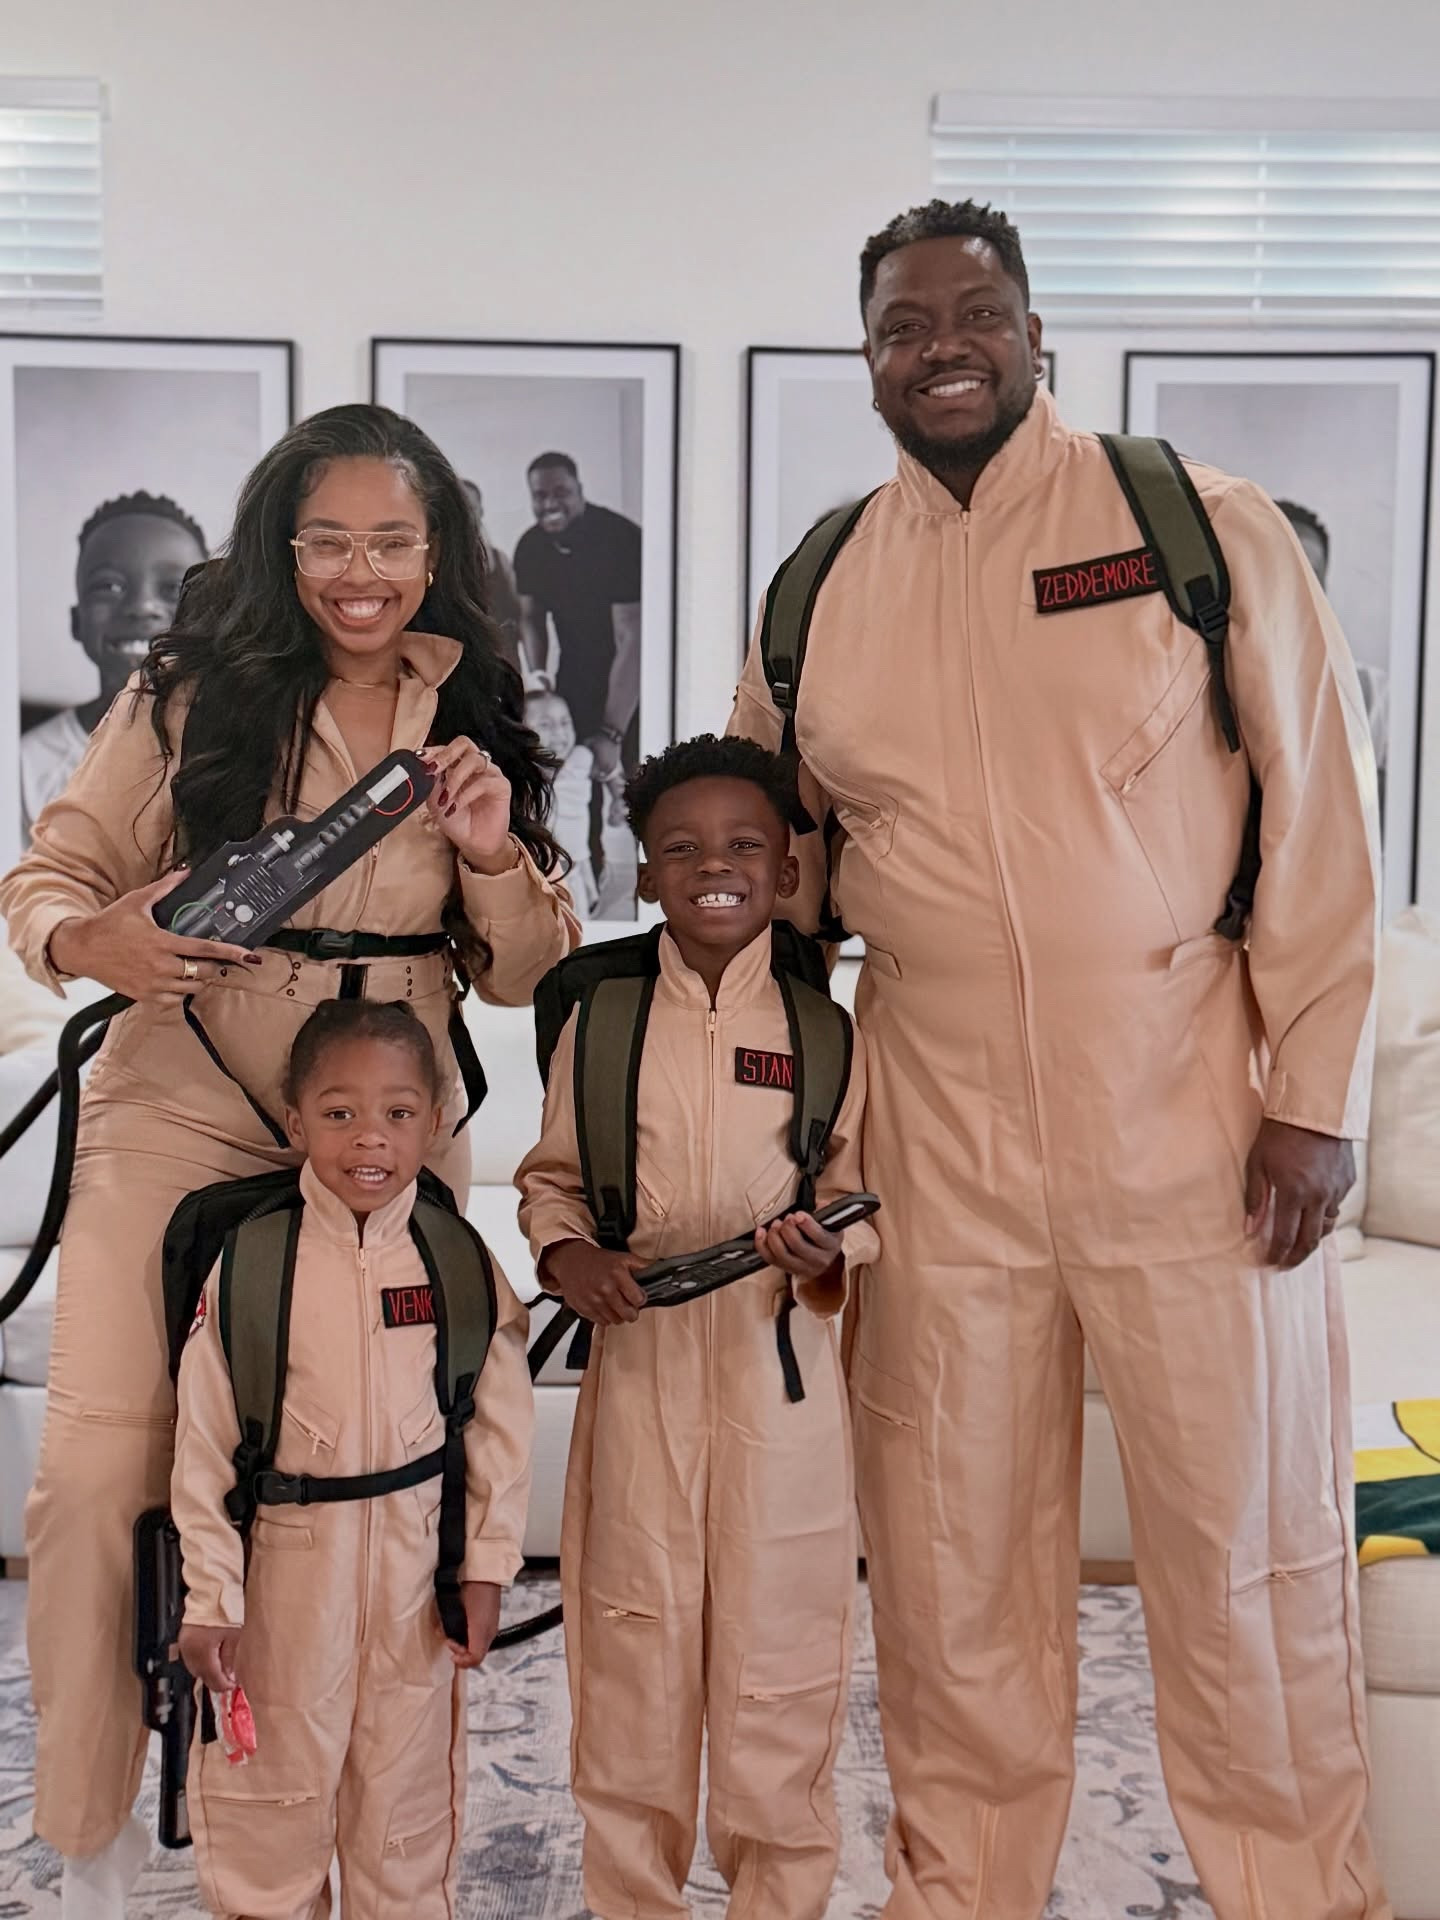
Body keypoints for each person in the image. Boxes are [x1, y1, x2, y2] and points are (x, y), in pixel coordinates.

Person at [729, 201, 1389, 1920]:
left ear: (1037, 334)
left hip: (1192, 1118)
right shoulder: (822, 585)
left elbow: (1325, 826)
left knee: (1240, 1563)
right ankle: (962, 1893)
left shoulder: (1194, 526)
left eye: (975, 314)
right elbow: (758, 861)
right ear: (865, 357)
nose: (940, 346)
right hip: (935, 1135)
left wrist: (1317, 1102)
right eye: (900, 324)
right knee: (952, 1579)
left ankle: (1301, 1894)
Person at [0, 401, 579, 1919]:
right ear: (281, 548)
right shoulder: (192, 693)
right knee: (96, 1467)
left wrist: (498, 854)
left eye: (392, 541)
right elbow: (47, 875)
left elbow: (525, 973)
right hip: (187, 1088)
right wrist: (92, 938)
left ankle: (372, 1827)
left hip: (391, 1110)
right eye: (326, 542)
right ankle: (92, 1838)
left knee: (387, 1471)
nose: (360, 573)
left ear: (438, 549)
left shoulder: (487, 706)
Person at [517, 734, 879, 1920]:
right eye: (679, 848)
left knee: (782, 1659)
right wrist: (570, 1257)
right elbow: (553, 1178)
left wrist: (827, 1252)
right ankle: (635, 1898)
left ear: (784, 873)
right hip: (646, 1371)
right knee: (634, 1653)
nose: (709, 865)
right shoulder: (604, 1018)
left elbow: (855, 1190)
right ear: (644, 871)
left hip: (785, 1385)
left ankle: (782, 1897)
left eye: (740, 846)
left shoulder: (827, 1029)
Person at [172, 997, 532, 1916]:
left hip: (414, 1578)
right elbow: (205, 1442)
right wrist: (212, 1597)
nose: (368, 1139)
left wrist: (485, 1568)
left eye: (397, 1114)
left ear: (435, 1122)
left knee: (403, 1809)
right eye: (339, 1114)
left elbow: (497, 1426)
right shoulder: (253, 1263)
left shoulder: (456, 1259)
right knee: (273, 1803)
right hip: (286, 1578)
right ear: (297, 1122)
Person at [19, 492, 208, 839]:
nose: (142, 606)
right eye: (109, 586)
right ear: (77, 622)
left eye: (172, 589)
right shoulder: (25, 767)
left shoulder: (239, 748)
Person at [513, 452, 642, 877]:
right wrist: (538, 684)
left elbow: (632, 638)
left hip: (629, 678)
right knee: (568, 785)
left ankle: (640, 891)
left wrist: (612, 730)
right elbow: (530, 618)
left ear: (580, 491)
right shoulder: (530, 546)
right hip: (571, 676)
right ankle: (579, 880)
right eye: (540, 494)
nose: (551, 502)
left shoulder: (621, 538)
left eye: (561, 492)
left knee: (627, 784)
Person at [1277, 496, 1390, 815]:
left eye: (1311, 574)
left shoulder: (1377, 697)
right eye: (1282, 569)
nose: (1299, 588)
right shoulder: (1201, 690)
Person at [460, 477, 526, 679]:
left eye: (470, 507)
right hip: (462, 665)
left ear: (481, 511)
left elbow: (522, 614)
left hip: (503, 664)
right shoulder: (433, 562)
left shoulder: (500, 560)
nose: (465, 515)